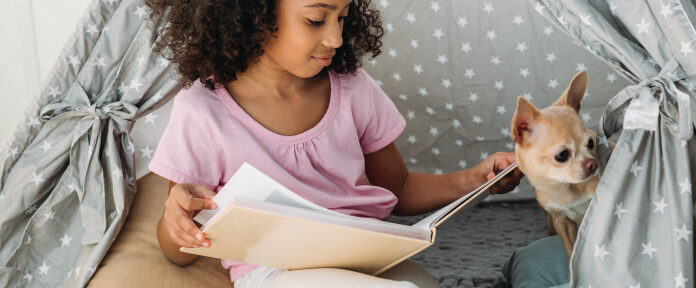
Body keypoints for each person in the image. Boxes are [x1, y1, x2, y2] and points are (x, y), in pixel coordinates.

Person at [144, 0, 523, 287]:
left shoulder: (353, 87)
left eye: (342, 17)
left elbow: (399, 189)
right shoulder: (201, 110)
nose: (335, 38)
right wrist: (177, 222)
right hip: (278, 272)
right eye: (315, 19)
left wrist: (476, 180)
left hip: (366, 258)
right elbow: (178, 250)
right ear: (249, 14)